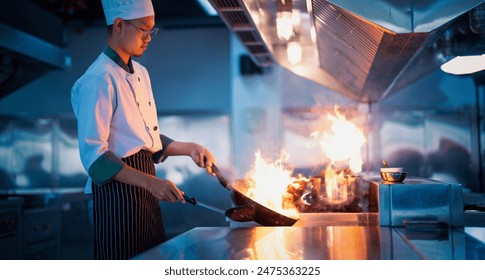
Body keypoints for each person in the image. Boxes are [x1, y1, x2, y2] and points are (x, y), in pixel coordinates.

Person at [71, 0, 216, 260]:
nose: (149, 37)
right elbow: (95, 159)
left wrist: (188, 148)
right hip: (116, 194)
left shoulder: (141, 73)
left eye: (152, 30)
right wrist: (152, 183)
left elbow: (141, 136)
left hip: (145, 189)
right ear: (118, 25)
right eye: (143, 29)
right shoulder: (97, 79)